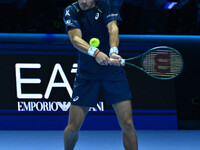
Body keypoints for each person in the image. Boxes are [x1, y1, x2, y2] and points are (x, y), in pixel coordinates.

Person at [63, 0, 138, 150]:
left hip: (112, 72)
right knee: (73, 127)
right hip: (87, 73)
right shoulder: (71, 11)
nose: (84, 1)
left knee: (128, 124)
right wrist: (95, 52)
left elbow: (112, 28)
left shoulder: (106, 5)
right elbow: (75, 39)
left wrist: (113, 51)